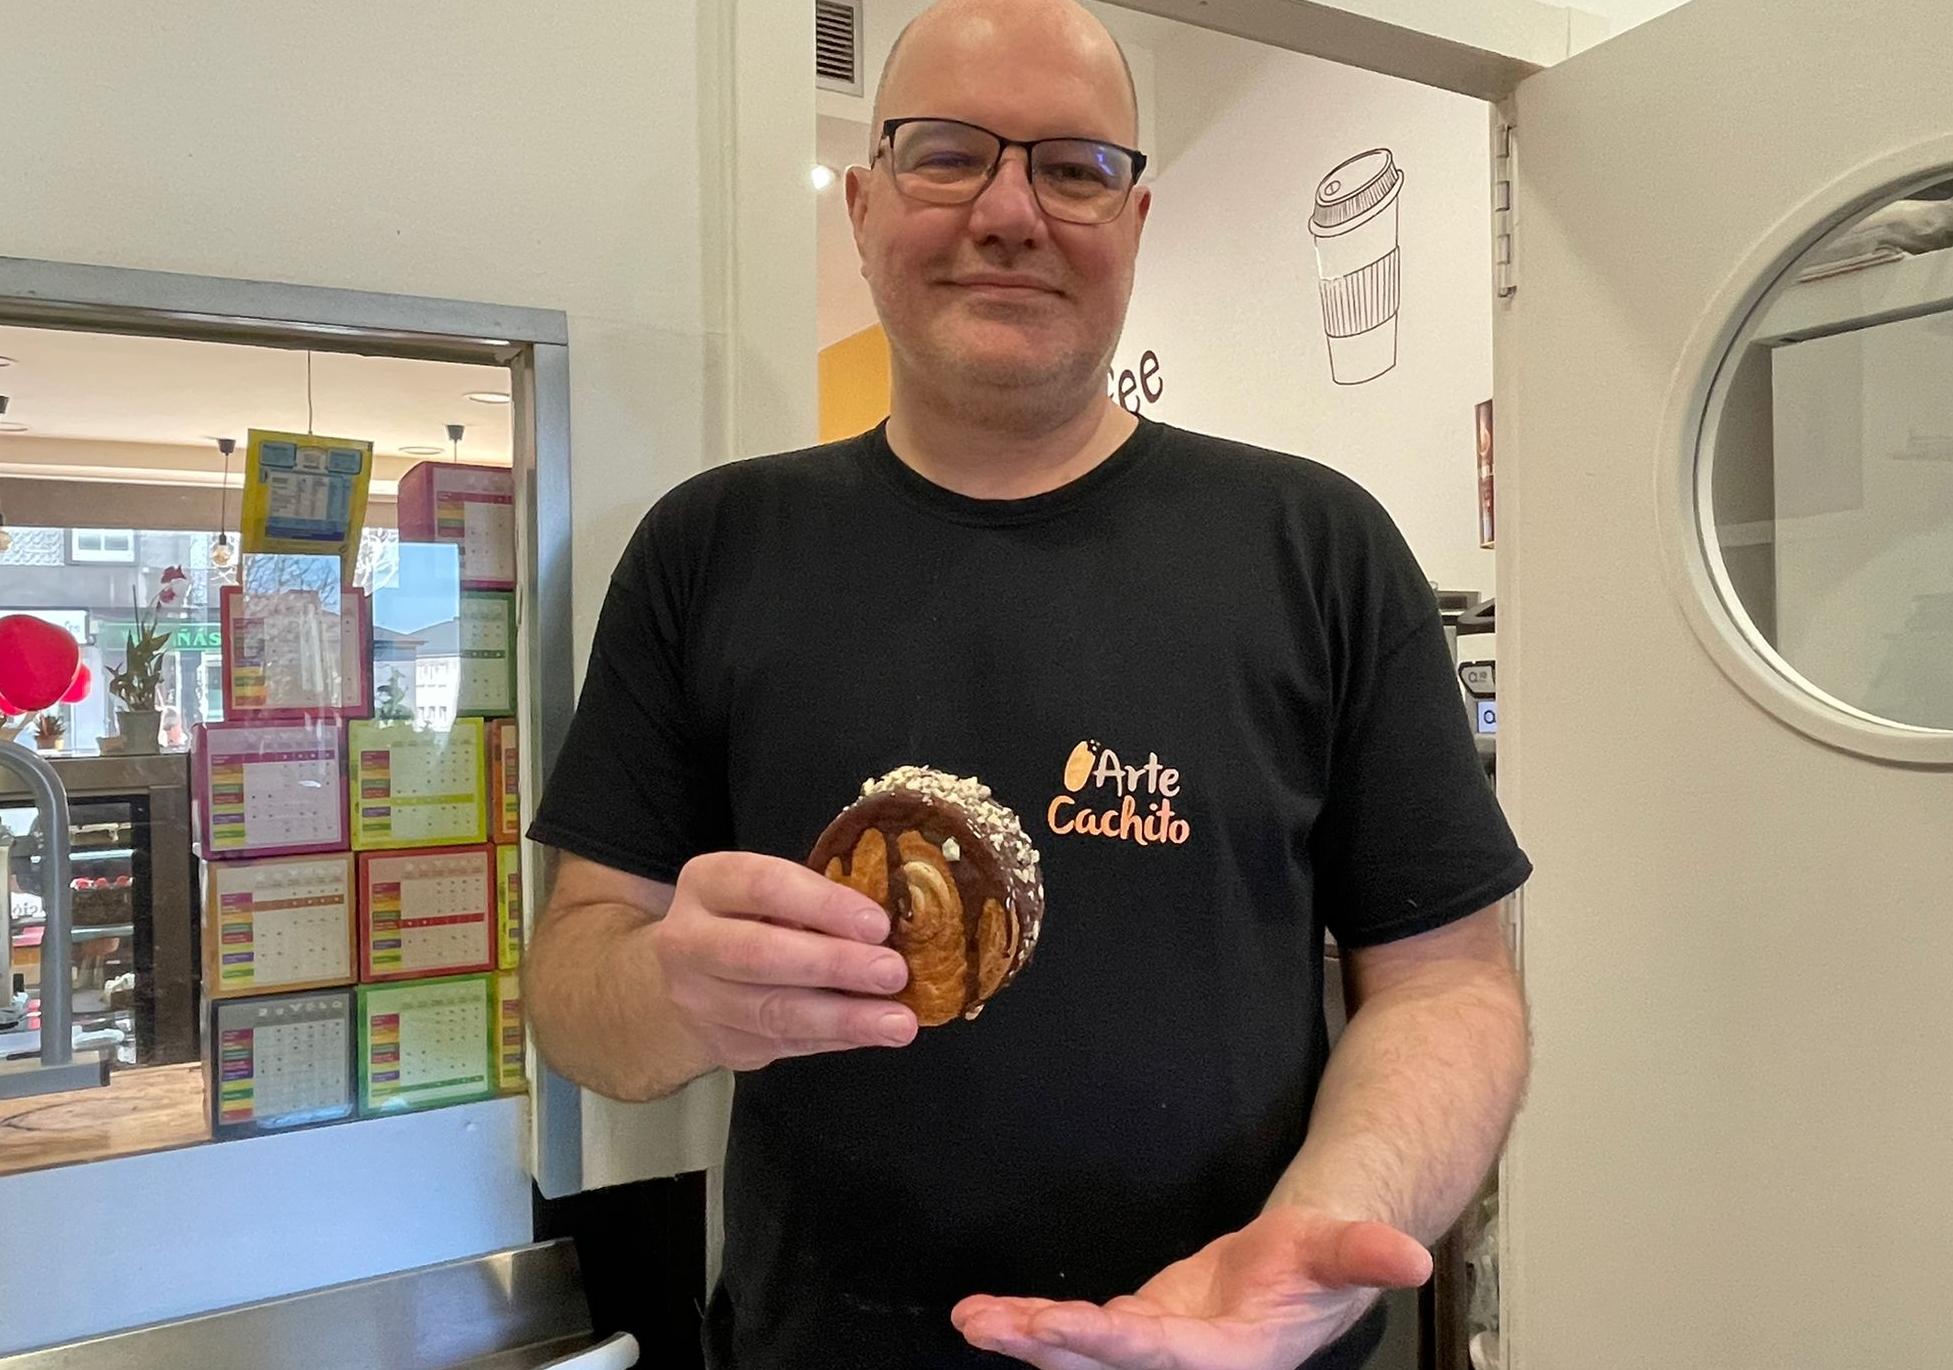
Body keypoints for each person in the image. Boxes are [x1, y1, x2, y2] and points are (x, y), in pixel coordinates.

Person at [523, 1, 1532, 1366]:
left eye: (1073, 165)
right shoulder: (710, 548)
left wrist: (1317, 1237)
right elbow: (580, 984)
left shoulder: (1316, 546)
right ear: (866, 205)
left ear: (1135, 217)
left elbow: (1447, 988)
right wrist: (668, 994)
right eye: (948, 155)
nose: (1009, 211)